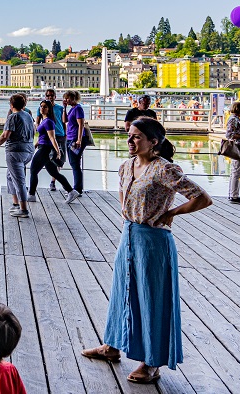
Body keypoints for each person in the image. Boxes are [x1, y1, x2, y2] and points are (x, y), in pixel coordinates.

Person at [82, 117, 212, 383]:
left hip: (154, 240)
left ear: (154, 142)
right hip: (129, 235)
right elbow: (123, 194)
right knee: (122, 292)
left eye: (137, 137)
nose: (130, 141)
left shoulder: (164, 169)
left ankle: (151, 362)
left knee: (152, 298)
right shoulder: (126, 166)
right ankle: (112, 346)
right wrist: (126, 212)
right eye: (129, 135)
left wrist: (171, 212)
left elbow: (202, 197)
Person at [0, 94, 36, 217]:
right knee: (10, 176)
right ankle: (16, 203)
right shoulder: (28, 116)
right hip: (28, 151)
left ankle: (23, 209)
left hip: (15, 152)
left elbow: (6, 135)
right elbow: (34, 131)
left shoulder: (12, 117)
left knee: (19, 180)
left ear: (11, 105)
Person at [29, 101, 79, 203]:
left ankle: (31, 194)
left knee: (33, 170)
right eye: (41, 106)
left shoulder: (48, 122)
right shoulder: (44, 120)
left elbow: (52, 138)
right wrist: (36, 143)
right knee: (54, 173)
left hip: (45, 149)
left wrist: (58, 151)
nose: (42, 108)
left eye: (45, 107)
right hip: (42, 146)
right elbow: (44, 136)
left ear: (49, 109)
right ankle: (71, 191)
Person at [62, 90, 87, 195]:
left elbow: (81, 124)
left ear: (73, 98)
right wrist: (64, 108)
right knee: (74, 163)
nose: (66, 100)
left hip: (75, 139)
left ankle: (77, 189)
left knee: (75, 163)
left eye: (68, 98)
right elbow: (64, 120)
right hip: (70, 137)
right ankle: (77, 188)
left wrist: (79, 140)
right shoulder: (72, 109)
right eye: (65, 98)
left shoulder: (78, 108)